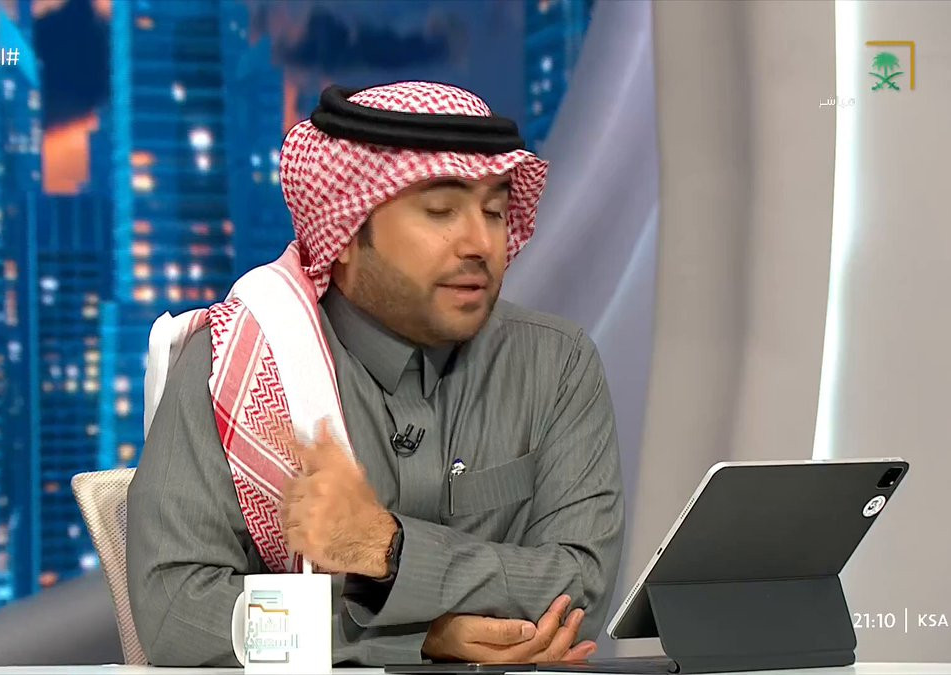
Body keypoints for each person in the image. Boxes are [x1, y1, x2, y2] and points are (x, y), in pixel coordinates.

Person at [126, 81, 624, 667]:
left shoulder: (556, 363)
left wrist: (389, 549)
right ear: (344, 233)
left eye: (494, 212)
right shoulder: (235, 365)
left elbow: (580, 590)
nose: (480, 243)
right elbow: (177, 613)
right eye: (440, 211)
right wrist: (416, 641)